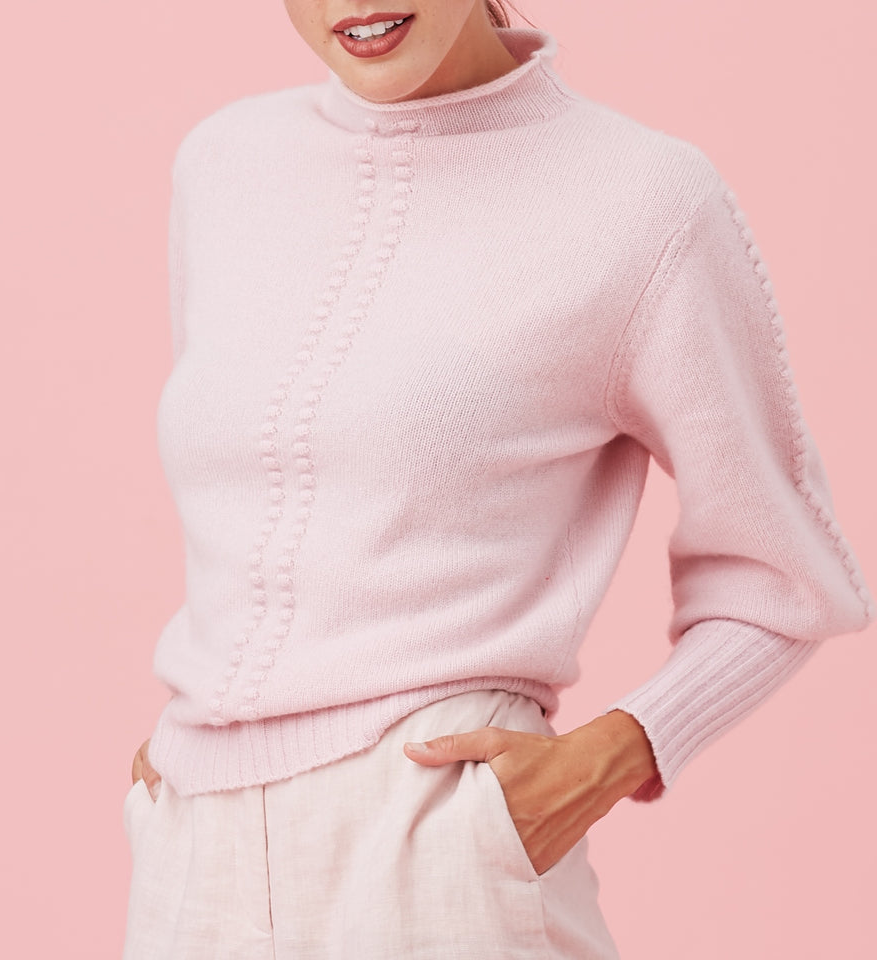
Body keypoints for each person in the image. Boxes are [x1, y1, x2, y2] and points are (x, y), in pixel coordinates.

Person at [121, 2, 873, 957]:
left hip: (434, 832)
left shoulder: (641, 199)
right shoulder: (225, 164)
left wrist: (619, 752)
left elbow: (788, 577)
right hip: (191, 853)